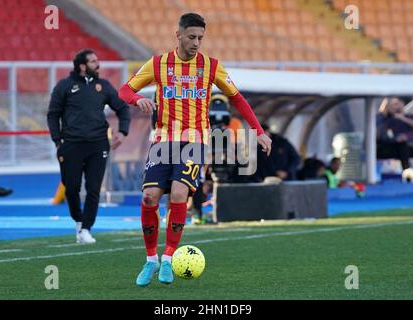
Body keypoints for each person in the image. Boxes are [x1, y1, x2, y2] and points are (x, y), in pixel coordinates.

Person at [119, 13, 272, 286]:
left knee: (179, 193)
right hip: (163, 140)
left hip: (195, 140)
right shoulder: (159, 64)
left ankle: (168, 259)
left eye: (200, 38)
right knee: (149, 198)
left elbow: (237, 98)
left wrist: (258, 131)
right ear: (177, 35)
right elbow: (124, 90)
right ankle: (150, 260)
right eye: (191, 37)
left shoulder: (211, 67)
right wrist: (136, 100)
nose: (196, 43)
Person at [47, 49, 130, 244]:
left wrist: (122, 132)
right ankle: (78, 220)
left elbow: (122, 108)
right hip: (71, 145)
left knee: (94, 189)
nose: (98, 64)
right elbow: (53, 114)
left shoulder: (103, 86)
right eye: (93, 61)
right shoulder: (64, 86)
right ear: (82, 66)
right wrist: (57, 140)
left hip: (98, 144)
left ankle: (86, 228)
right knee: (71, 188)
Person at [377, 97, 413, 181]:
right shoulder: (388, 118)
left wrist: (402, 118)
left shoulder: (409, 117)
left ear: (402, 104)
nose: (396, 107)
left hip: (410, 146)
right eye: (393, 104)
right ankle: (407, 173)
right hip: (393, 146)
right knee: (402, 145)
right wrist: (396, 139)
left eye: (397, 104)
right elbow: (381, 116)